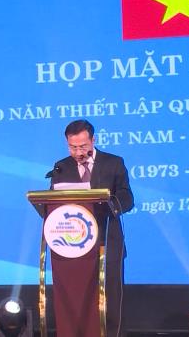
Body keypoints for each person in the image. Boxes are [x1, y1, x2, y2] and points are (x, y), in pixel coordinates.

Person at [49, 119, 134, 337]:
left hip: (107, 241)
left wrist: (108, 204)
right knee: (79, 301)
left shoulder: (113, 163)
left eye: (82, 146)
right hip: (74, 247)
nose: (78, 152)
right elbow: (53, 203)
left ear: (93, 140)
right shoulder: (61, 167)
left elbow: (127, 197)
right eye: (72, 147)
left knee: (110, 302)